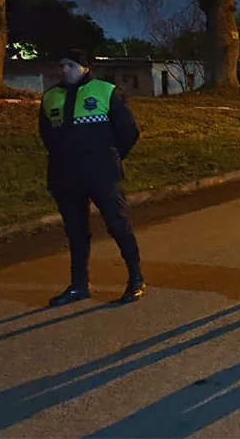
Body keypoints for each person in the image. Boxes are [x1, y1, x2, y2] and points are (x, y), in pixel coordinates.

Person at [39, 49, 144, 306]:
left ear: (85, 67)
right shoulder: (51, 97)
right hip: (66, 176)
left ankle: (136, 279)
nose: (64, 70)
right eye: (61, 65)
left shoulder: (106, 92)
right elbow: (47, 136)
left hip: (102, 174)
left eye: (71, 65)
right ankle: (78, 285)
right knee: (75, 232)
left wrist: (110, 157)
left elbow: (128, 131)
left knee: (117, 225)